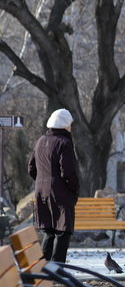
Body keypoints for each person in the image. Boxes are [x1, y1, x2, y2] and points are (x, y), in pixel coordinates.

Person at [28, 109, 80, 263]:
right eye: (70, 124)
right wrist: (75, 188)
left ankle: (42, 269)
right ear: (65, 125)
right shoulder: (64, 143)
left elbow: (31, 168)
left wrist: (42, 182)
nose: (70, 127)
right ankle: (57, 270)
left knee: (49, 231)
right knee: (62, 231)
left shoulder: (40, 141)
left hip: (41, 192)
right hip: (60, 193)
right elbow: (68, 172)